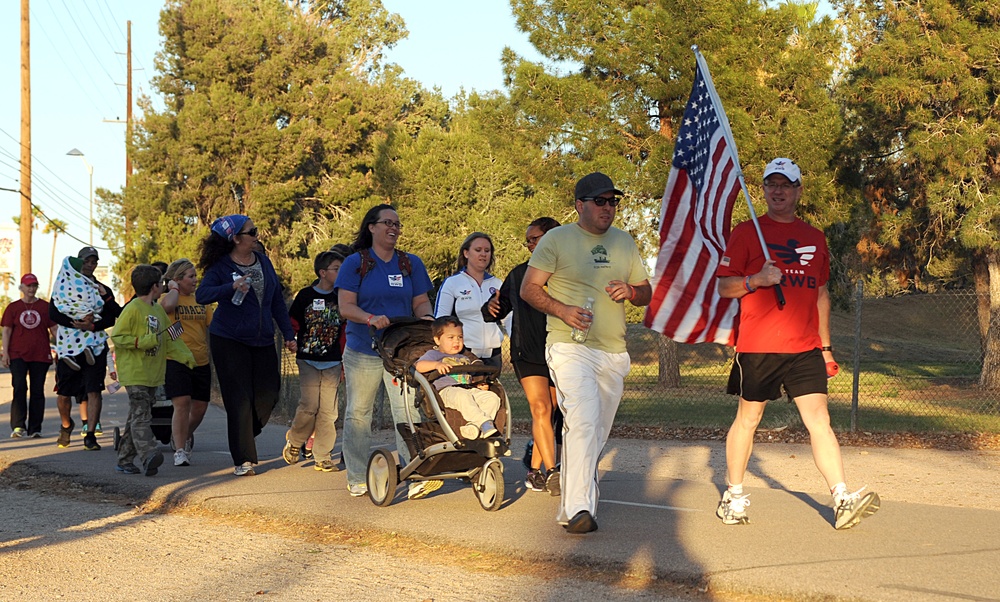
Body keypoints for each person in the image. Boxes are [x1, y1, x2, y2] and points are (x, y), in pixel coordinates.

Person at [714, 158, 880, 530]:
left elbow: (821, 294)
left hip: (804, 348)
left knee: (819, 420)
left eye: (785, 185)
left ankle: (841, 498)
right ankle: (734, 496)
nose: (778, 191)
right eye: (771, 184)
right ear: (764, 190)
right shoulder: (747, 232)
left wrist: (825, 348)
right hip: (758, 346)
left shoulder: (814, 236)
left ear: (798, 190)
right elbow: (725, 286)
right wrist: (757, 279)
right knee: (749, 419)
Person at [521, 172, 651, 534]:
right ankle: (580, 508)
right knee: (582, 418)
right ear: (580, 205)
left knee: (597, 431)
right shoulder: (556, 240)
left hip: (612, 351)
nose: (607, 208)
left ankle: (570, 508)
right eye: (600, 201)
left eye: (612, 201)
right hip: (568, 346)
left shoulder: (625, 242)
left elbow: (646, 291)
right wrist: (563, 310)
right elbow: (530, 289)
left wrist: (632, 291)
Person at [334, 204, 436, 499]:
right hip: (363, 349)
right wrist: (369, 318)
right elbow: (346, 306)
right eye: (387, 223)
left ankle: (414, 472)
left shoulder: (410, 263)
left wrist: (427, 317)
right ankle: (356, 475)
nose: (394, 228)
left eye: (397, 224)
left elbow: (420, 302)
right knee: (359, 414)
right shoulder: (356, 263)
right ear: (372, 227)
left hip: (399, 351)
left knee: (406, 409)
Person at [196, 215, 297, 476]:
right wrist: (230, 286)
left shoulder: (263, 260)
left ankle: (242, 432)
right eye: (252, 231)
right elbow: (202, 295)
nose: (256, 235)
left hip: (262, 338)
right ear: (236, 238)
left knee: (269, 394)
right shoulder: (219, 266)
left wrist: (288, 334)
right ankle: (244, 459)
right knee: (239, 399)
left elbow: (275, 300)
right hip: (228, 339)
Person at [483, 217, 564, 495]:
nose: (529, 245)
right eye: (527, 240)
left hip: (559, 351)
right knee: (540, 408)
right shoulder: (519, 274)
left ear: (553, 238)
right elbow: (495, 309)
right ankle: (553, 473)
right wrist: (492, 305)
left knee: (551, 412)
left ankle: (533, 471)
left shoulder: (569, 273)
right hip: (526, 352)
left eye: (534, 238)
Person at [111, 265, 196, 476]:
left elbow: (171, 336)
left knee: (137, 416)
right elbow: (117, 337)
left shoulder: (158, 310)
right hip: (135, 373)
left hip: (153, 374)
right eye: (162, 284)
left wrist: (185, 355)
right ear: (155, 287)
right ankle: (149, 454)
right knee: (142, 417)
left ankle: (124, 460)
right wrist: (141, 342)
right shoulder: (132, 309)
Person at [49, 246, 122, 450]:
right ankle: (66, 425)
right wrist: (75, 322)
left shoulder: (101, 289)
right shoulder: (64, 286)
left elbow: (111, 316)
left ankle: (90, 435)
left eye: (94, 261)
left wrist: (91, 326)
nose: (90, 265)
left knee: (94, 390)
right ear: (79, 262)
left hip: (95, 343)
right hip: (69, 345)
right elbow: (53, 313)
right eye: (87, 261)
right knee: (64, 394)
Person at [282, 249, 346, 472]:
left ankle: (323, 456)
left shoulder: (342, 297)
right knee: (310, 406)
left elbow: (346, 330)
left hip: (333, 361)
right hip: (308, 359)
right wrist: (291, 340)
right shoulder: (306, 296)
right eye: (337, 269)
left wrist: (345, 360)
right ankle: (295, 441)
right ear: (323, 272)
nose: (341, 272)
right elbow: (292, 321)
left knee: (329, 411)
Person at [160, 258, 214, 467]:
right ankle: (180, 450)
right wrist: (173, 289)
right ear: (177, 279)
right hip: (176, 359)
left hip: (200, 359)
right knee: (181, 404)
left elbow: (212, 324)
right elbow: (166, 307)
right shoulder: (168, 298)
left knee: (200, 408)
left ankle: (182, 435)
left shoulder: (201, 300)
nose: (195, 280)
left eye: (195, 276)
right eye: (190, 276)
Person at [415, 316, 502, 440]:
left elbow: (468, 376)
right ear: (438, 340)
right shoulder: (434, 354)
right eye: (451, 338)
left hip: (466, 389)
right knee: (462, 395)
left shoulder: (465, 358)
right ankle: (484, 423)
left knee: (492, 398)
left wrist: (478, 384)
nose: (456, 341)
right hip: (447, 391)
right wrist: (436, 365)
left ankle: (474, 428)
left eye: (460, 337)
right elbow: (418, 366)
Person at [434, 233, 506, 368]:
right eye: (478, 250)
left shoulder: (497, 284)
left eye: (487, 251)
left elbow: (509, 319)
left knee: (491, 389)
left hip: (493, 355)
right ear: (466, 253)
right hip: (463, 353)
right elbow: (440, 320)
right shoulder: (453, 283)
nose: (483, 254)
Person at [1, 274, 56, 438]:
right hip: (17, 353)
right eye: (28, 286)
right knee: (19, 387)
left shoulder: (45, 307)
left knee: (37, 390)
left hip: (40, 354)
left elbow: (54, 329)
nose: (31, 289)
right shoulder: (13, 307)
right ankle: (18, 426)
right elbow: (7, 330)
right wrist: (5, 353)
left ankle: (35, 428)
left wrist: (64, 348)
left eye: (34, 286)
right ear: (22, 288)